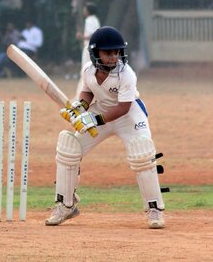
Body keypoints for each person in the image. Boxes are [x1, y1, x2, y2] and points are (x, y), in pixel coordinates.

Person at [45, 26, 166, 229]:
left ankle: (154, 209)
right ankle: (66, 204)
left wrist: (94, 120)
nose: (113, 57)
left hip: (128, 115)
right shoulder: (88, 70)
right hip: (100, 110)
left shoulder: (127, 74)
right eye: (108, 52)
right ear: (95, 53)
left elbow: (123, 107)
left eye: (116, 52)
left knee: (142, 153)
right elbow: (87, 92)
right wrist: (80, 106)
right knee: (69, 147)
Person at [75, 2, 100, 98]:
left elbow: (91, 35)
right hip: (95, 49)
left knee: (84, 72)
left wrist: (81, 36)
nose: (84, 11)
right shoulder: (96, 20)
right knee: (92, 71)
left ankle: (80, 97)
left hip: (89, 48)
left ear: (88, 11)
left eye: (85, 9)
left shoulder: (89, 20)